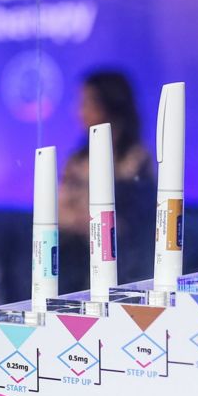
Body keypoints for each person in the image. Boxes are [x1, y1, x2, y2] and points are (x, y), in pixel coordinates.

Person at [58, 70, 156, 294]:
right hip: (76, 267)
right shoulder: (76, 161)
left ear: (110, 104)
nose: (79, 112)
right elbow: (59, 214)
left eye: (86, 103)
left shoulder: (135, 160)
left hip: (127, 271)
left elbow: (130, 224)